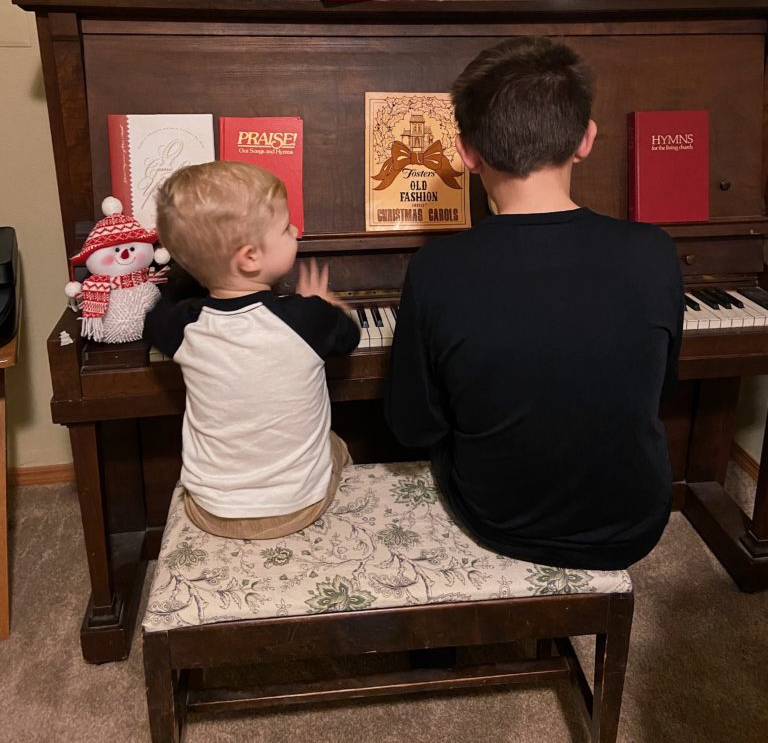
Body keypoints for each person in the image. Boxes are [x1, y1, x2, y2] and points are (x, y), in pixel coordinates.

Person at [385, 36, 683, 571]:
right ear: (585, 139)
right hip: (634, 523)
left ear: (466, 152)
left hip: (500, 521)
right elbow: (657, 388)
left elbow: (415, 426)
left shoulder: (436, 267)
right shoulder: (655, 250)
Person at [144, 161, 360, 539]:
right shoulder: (308, 318)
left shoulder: (185, 325)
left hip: (210, 509)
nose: (296, 230)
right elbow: (350, 335)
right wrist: (325, 303)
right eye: (286, 228)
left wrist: (192, 273)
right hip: (298, 507)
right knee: (335, 443)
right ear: (249, 258)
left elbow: (154, 319)